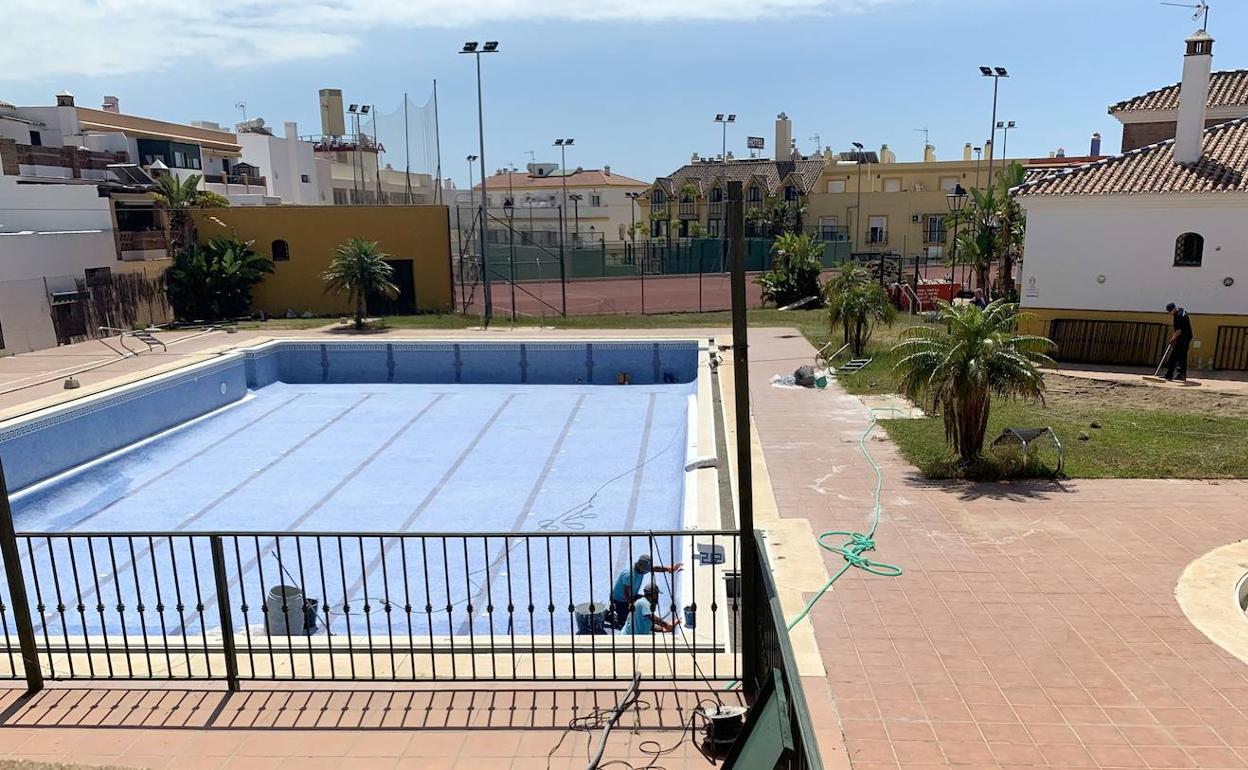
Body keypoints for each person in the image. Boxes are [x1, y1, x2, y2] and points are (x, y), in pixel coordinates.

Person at [606, 554, 682, 629]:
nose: (647, 570)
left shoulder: (642, 568)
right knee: (625, 623)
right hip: (620, 599)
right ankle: (609, 615)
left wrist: (668, 568)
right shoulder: (629, 575)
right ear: (640, 565)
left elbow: (655, 568)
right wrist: (632, 605)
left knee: (647, 603)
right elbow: (626, 593)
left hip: (631, 595)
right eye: (646, 569)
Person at [1164, 302, 1193, 381]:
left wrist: (1173, 339)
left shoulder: (1179, 316)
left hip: (1184, 338)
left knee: (1174, 356)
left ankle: (1170, 374)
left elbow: (1179, 330)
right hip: (1185, 337)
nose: (1170, 313)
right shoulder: (1181, 310)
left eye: (1170, 311)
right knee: (1182, 356)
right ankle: (1181, 374)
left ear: (1173, 309)